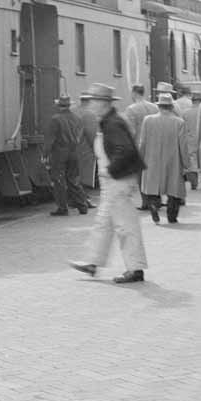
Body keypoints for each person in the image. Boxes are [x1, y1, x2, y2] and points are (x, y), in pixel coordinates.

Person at [69, 83, 147, 284]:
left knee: (125, 226)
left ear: (103, 103)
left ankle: (135, 268)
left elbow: (125, 151)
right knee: (103, 223)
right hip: (113, 182)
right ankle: (92, 262)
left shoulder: (112, 124)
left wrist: (110, 171)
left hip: (117, 181)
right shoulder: (109, 121)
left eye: (92, 101)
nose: (89, 105)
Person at [137, 93, 190, 223]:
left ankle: (154, 205)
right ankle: (172, 216)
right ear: (171, 107)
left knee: (153, 188)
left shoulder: (148, 120)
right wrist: (186, 163)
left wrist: (140, 159)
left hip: (152, 160)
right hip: (173, 161)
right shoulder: (179, 122)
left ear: (159, 106)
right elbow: (183, 146)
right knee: (174, 190)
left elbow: (142, 142)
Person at [44, 95, 90, 216]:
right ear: (69, 105)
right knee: (74, 179)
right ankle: (83, 206)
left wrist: (45, 154)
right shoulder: (76, 118)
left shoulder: (55, 119)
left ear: (58, 106)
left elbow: (50, 139)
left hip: (59, 153)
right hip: (73, 152)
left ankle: (62, 208)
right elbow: (79, 136)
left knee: (59, 180)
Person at [72, 93, 99, 195]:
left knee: (72, 177)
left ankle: (74, 198)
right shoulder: (89, 114)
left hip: (70, 149)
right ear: (90, 101)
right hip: (84, 150)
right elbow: (91, 135)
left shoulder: (72, 110)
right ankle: (83, 198)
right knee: (84, 178)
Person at [182, 91, 201, 189]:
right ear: (200, 101)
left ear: (192, 101)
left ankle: (194, 183)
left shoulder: (186, 112)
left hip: (190, 138)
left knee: (192, 160)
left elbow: (183, 128)